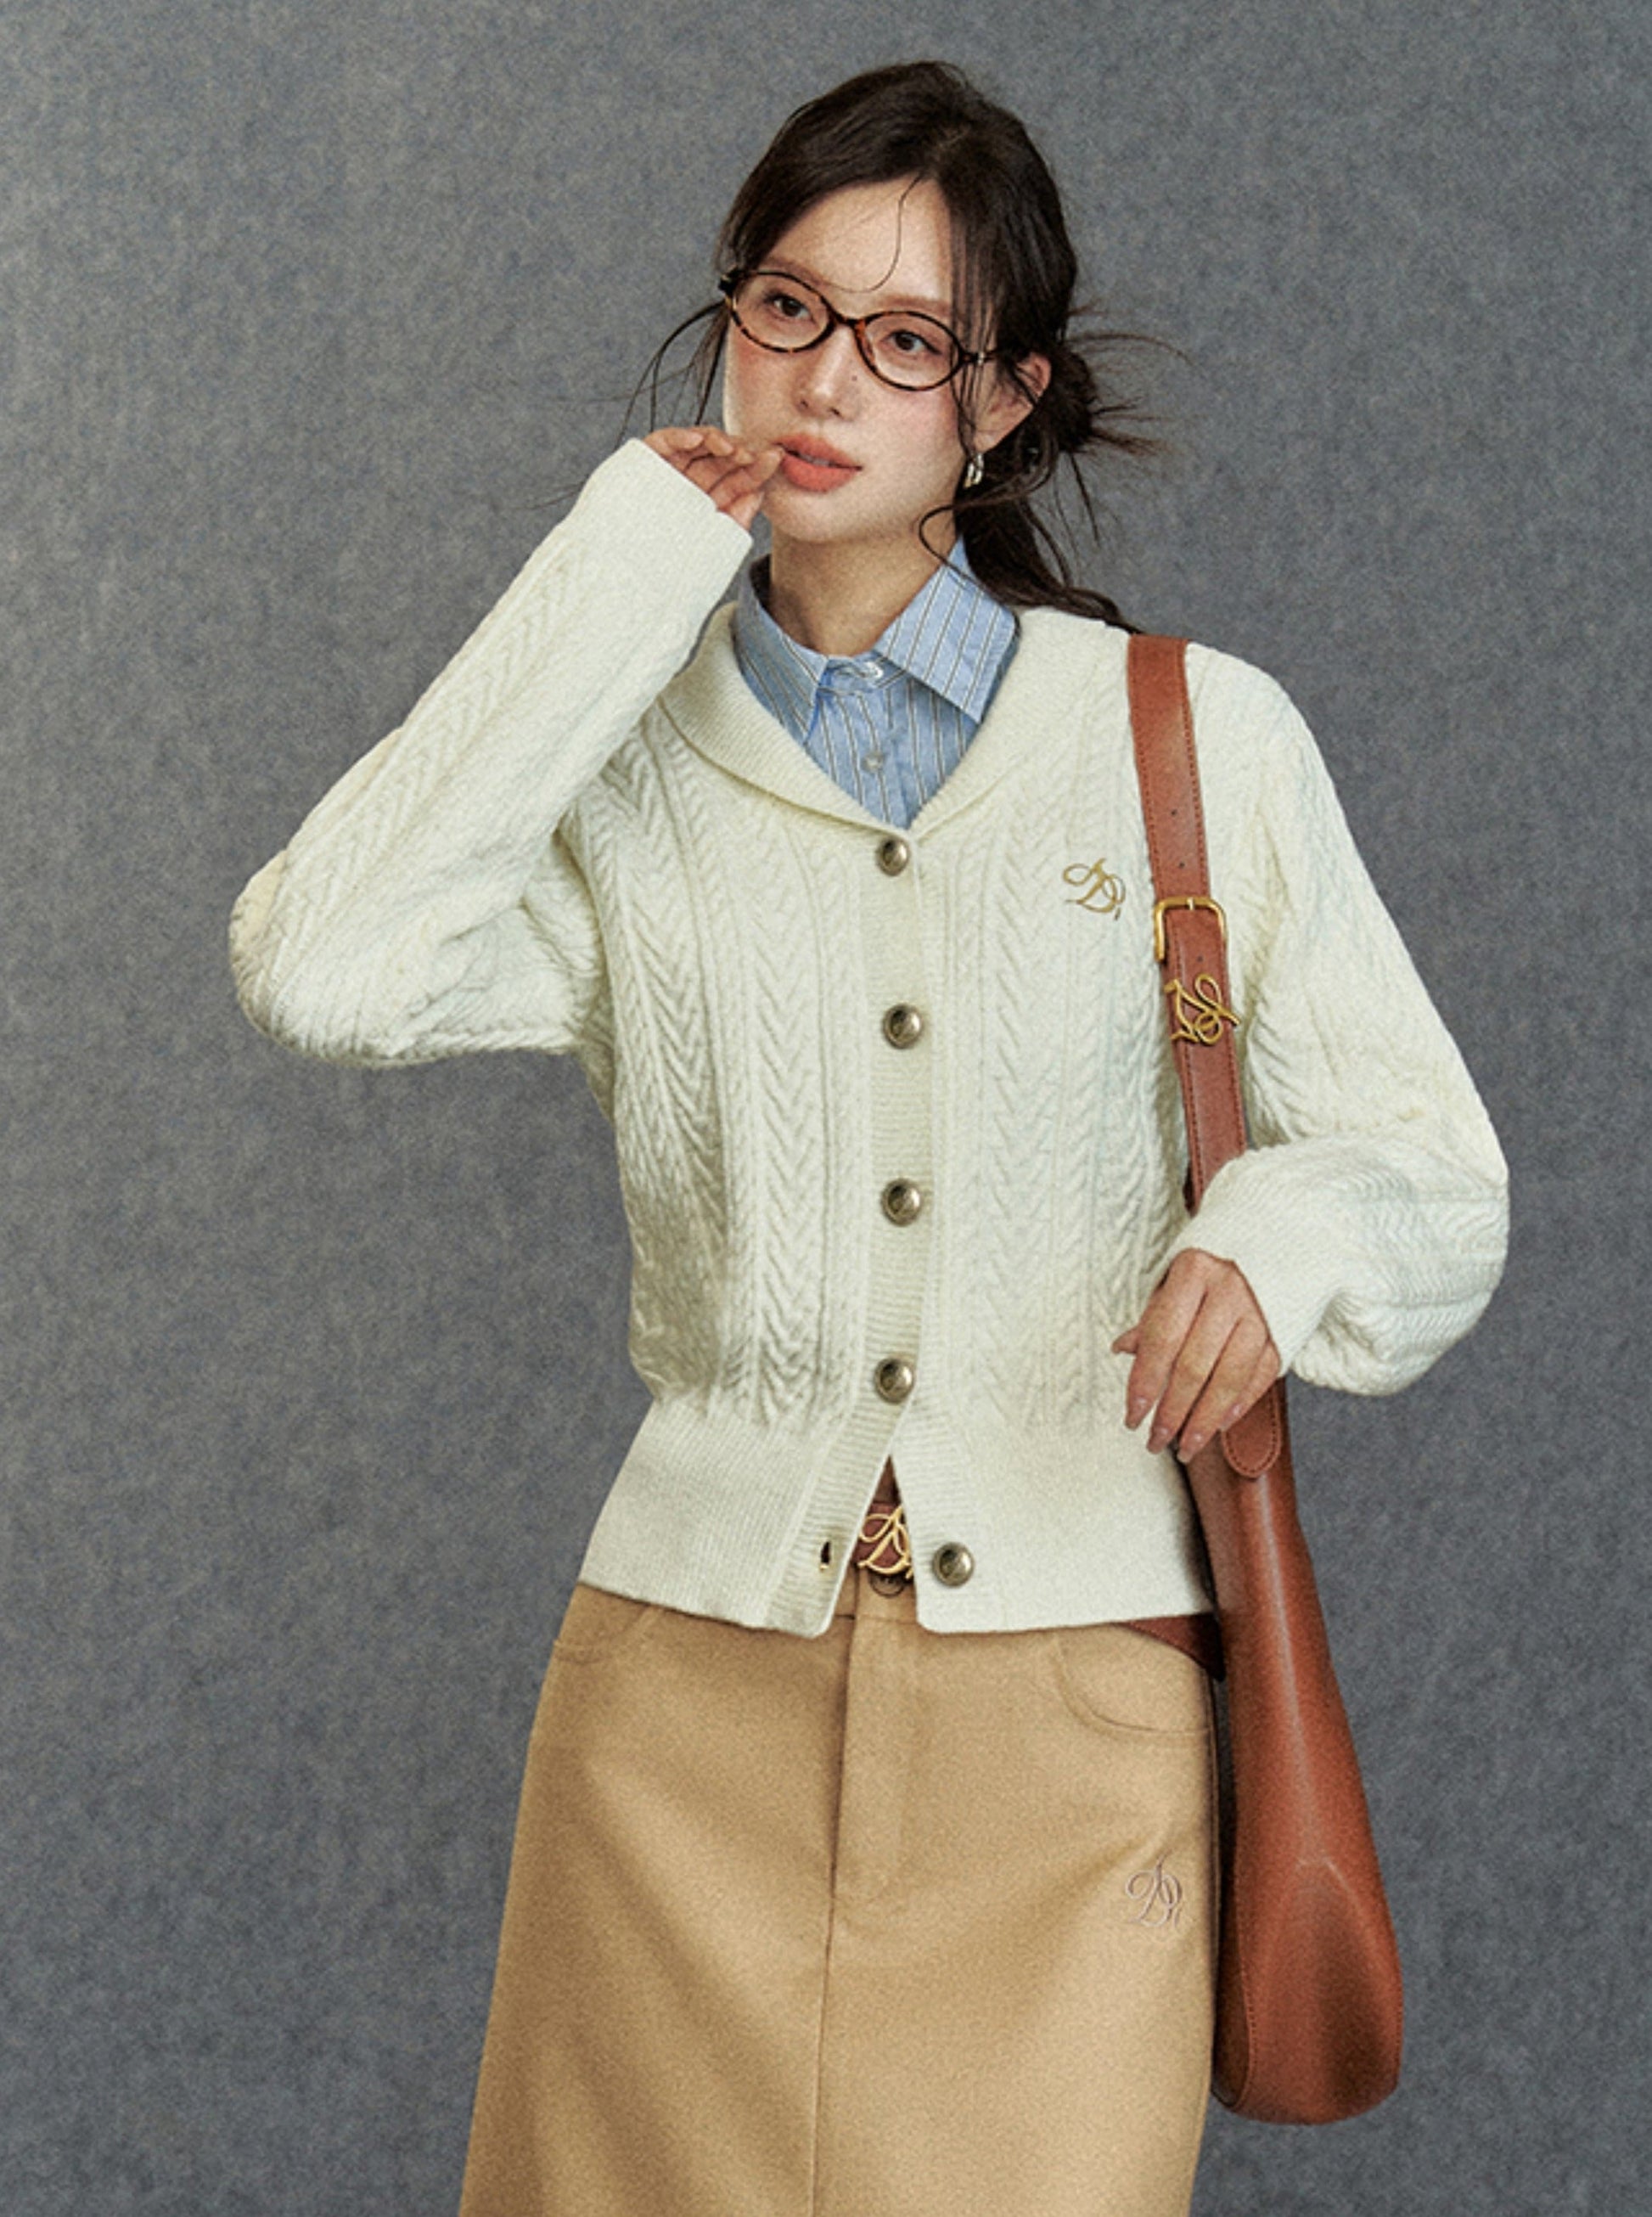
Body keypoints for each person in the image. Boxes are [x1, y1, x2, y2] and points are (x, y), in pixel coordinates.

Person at [228, 59, 1507, 2217]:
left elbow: (1433, 1170)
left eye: (907, 341)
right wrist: (622, 562)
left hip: (1076, 1727)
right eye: (787, 309)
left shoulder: (1190, 742)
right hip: (678, 1709)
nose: (826, 379)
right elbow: (320, 964)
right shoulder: (626, 763)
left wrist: (1274, 1240)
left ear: (999, 403)